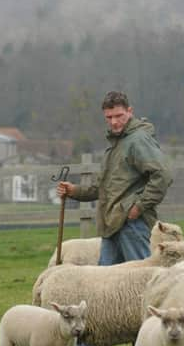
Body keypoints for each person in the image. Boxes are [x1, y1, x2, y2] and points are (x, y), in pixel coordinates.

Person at [57, 91, 172, 266]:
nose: (114, 122)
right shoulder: (117, 145)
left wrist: (138, 207)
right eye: (109, 117)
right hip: (112, 225)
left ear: (130, 111)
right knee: (105, 284)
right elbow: (103, 188)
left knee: (142, 279)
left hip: (132, 225)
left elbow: (162, 174)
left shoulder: (138, 140)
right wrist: (74, 190)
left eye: (119, 116)